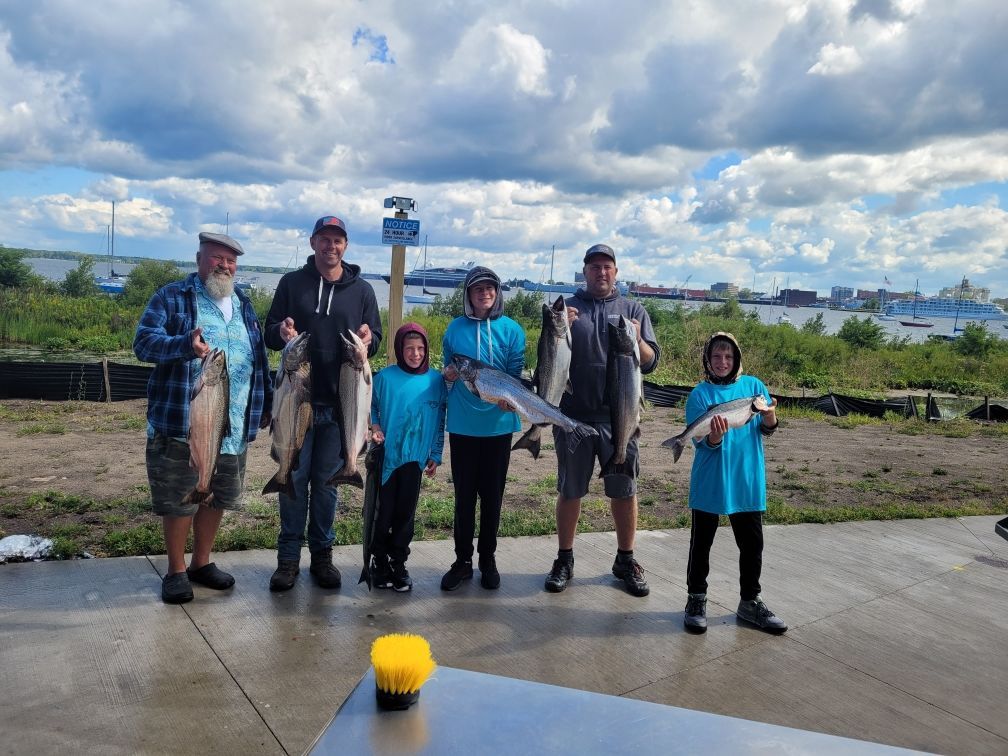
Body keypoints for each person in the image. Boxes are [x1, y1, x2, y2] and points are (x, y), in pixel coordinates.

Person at [134, 232, 273, 605]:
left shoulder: (243, 303)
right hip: (183, 424)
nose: (223, 266)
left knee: (216, 496)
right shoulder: (172, 296)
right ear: (199, 259)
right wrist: (183, 345)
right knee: (181, 498)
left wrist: (268, 405)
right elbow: (143, 342)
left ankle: (201, 562)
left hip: (232, 426)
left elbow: (257, 359)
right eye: (216, 259)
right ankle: (176, 570)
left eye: (230, 261)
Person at [264, 215, 382, 592]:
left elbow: (375, 336)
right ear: (313, 242)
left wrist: (368, 338)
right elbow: (270, 333)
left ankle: (322, 557)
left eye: (338, 240)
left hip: (341, 406)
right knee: (293, 477)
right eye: (325, 239)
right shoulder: (290, 283)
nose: (331, 246)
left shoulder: (362, 290)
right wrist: (282, 334)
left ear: (345, 246)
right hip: (296, 402)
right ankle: (287, 560)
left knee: (327, 486)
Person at [544, 243, 660, 597]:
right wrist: (559, 326)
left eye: (607, 266)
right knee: (570, 490)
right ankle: (565, 558)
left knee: (624, 491)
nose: (601, 272)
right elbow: (549, 357)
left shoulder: (633, 309)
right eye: (594, 267)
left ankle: (625, 558)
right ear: (585, 272)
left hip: (620, 419)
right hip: (574, 418)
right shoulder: (566, 308)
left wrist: (638, 339)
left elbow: (651, 360)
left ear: (616, 271)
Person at [682, 332, 787, 634]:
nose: (723, 361)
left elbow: (768, 429)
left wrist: (770, 415)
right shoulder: (699, 395)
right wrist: (713, 437)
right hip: (711, 480)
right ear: (708, 359)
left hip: (747, 478)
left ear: (737, 358)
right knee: (701, 544)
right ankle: (696, 598)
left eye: (728, 356)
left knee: (752, 545)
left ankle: (750, 602)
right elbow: (702, 444)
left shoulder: (755, 387)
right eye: (717, 356)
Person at [439, 266, 526, 591]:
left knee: (492, 497)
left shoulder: (512, 330)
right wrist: (447, 375)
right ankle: (462, 561)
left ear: (497, 292)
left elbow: (514, 377)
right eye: (478, 289)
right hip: (463, 426)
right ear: (469, 295)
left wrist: (511, 401)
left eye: (490, 288)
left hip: (499, 426)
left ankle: (487, 558)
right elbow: (449, 366)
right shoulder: (454, 328)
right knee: (463, 498)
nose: (484, 293)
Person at [369, 322, 447, 592]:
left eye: (421, 349)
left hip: (415, 460)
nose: (415, 354)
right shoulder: (384, 379)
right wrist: (375, 427)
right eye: (409, 348)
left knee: (405, 515)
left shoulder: (436, 381)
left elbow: (439, 419)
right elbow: (371, 408)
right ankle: (378, 561)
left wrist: (436, 453)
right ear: (399, 350)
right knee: (383, 514)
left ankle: (398, 562)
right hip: (387, 460)